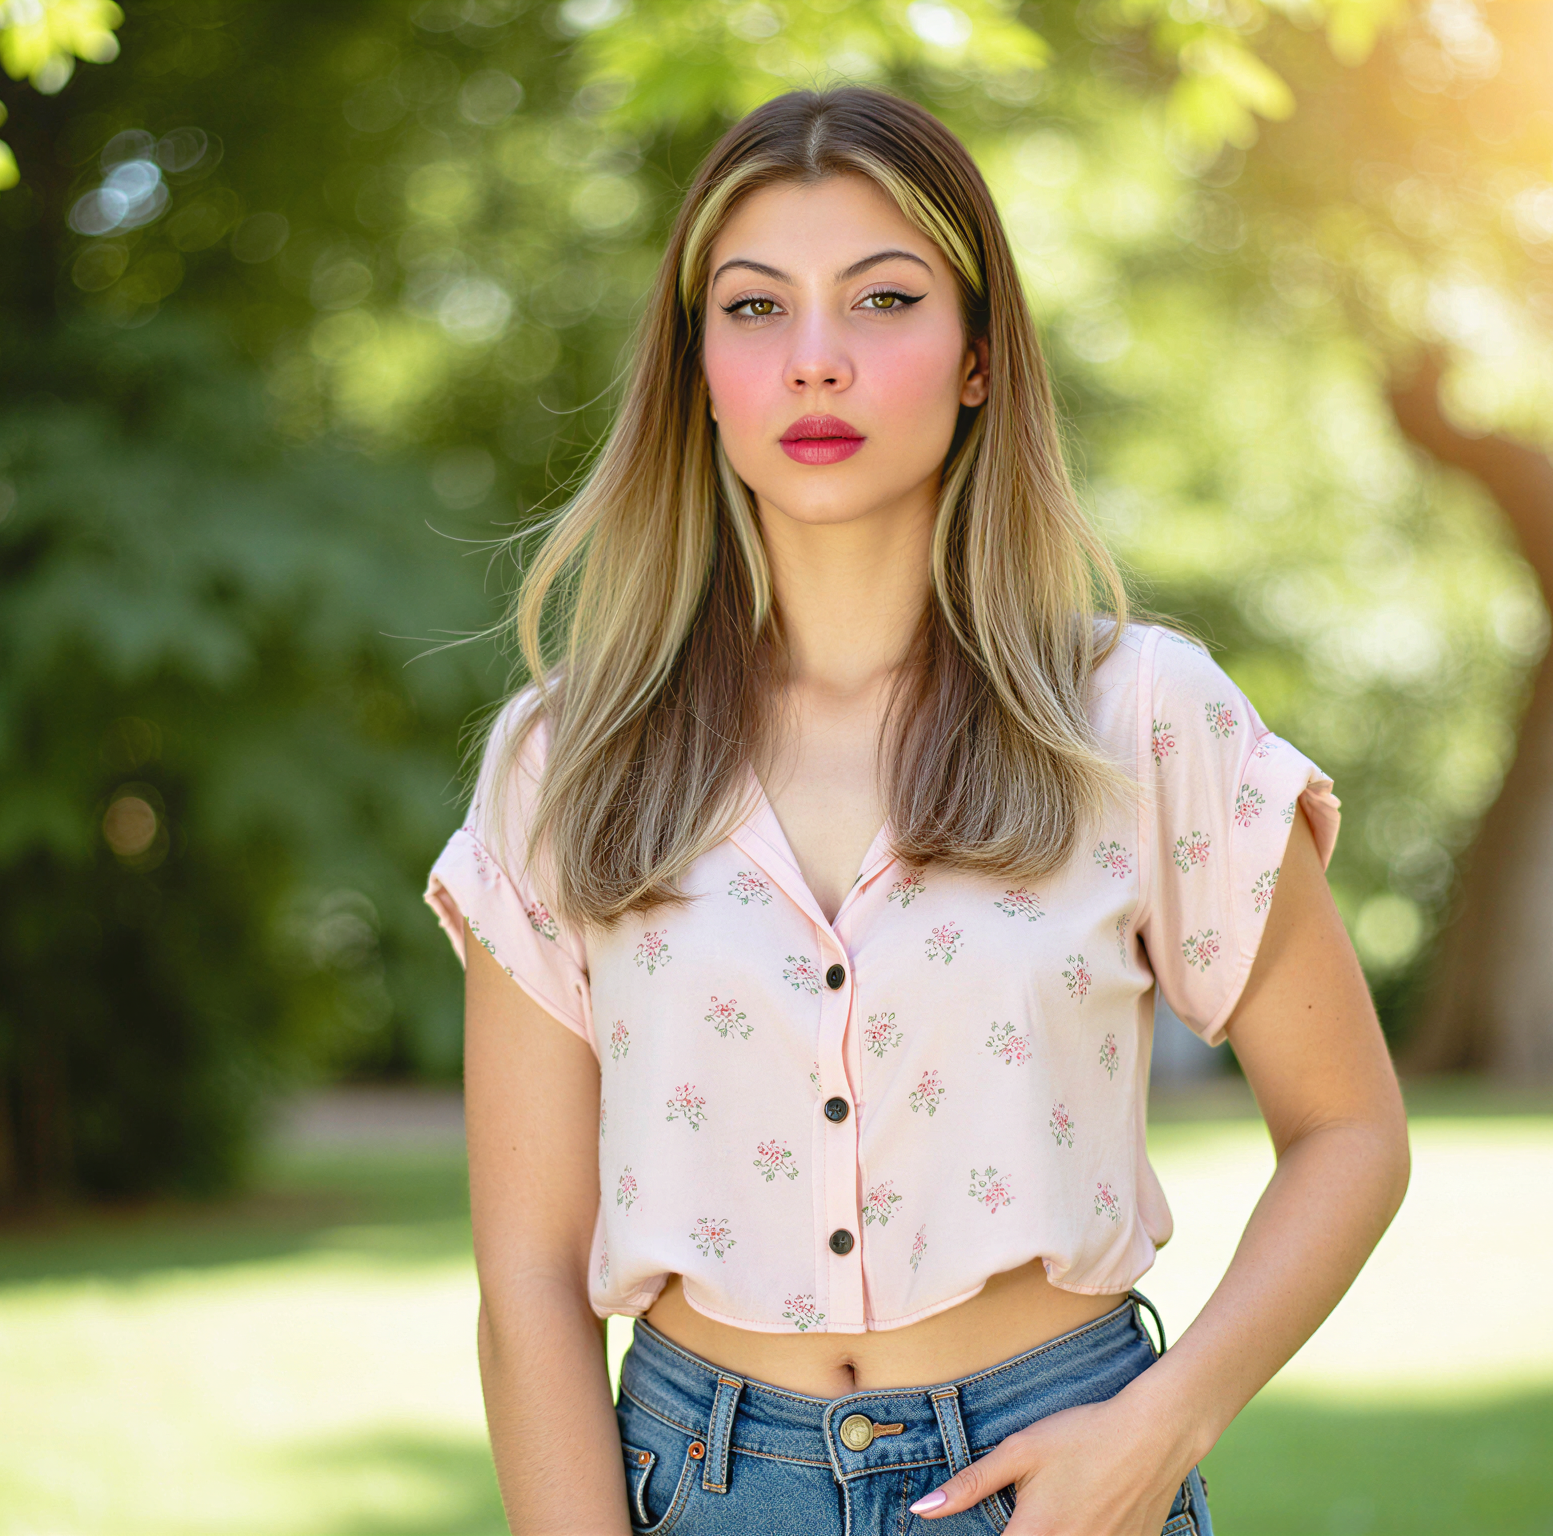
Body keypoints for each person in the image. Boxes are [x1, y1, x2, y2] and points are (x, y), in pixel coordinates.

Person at [423, 83, 1409, 1536]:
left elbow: (1351, 1131)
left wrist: (1159, 1429)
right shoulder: (565, 759)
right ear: (699, 370)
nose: (814, 359)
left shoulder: (1137, 718)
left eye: (883, 300)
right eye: (755, 309)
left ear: (978, 359)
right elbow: (526, 1275)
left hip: (1060, 1476)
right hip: (701, 1487)